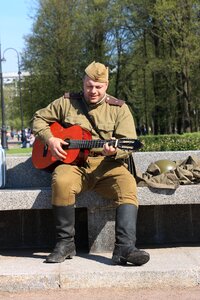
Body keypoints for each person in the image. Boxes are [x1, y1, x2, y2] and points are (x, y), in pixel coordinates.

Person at [32, 61, 150, 266]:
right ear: (83, 82)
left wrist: (115, 150)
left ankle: (124, 248)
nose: (93, 91)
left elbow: (128, 143)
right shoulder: (66, 102)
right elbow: (38, 119)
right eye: (89, 86)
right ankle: (65, 244)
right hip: (74, 164)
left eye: (98, 87)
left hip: (107, 164)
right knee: (61, 181)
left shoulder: (119, 109)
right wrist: (50, 139)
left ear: (106, 85)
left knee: (128, 185)